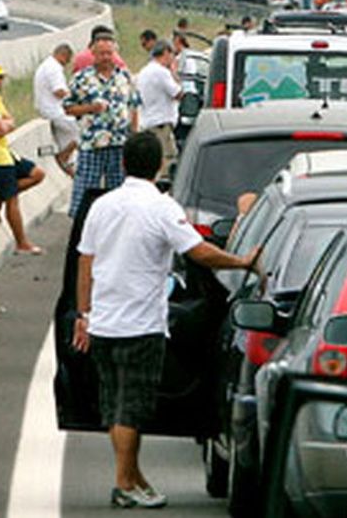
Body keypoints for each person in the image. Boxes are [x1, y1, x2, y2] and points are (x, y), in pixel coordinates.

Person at [71, 132, 260, 509]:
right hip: (141, 325)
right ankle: (124, 482)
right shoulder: (162, 207)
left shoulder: (102, 205)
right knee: (133, 407)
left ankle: (134, 477)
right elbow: (199, 252)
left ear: (123, 163)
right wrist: (242, 262)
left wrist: (83, 314)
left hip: (103, 323)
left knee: (114, 404)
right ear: (159, 165)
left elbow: (85, 262)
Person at [0, 63, 47, 254]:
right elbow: (3, 128)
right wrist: (3, 125)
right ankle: (22, 242)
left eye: (0, 78)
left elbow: (9, 122)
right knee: (13, 200)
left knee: (37, 174)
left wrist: (3, 125)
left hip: (5, 151)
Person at [64, 34, 141, 217]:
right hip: (93, 144)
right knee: (85, 188)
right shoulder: (81, 78)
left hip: (119, 143)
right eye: (101, 53)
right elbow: (68, 108)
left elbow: (134, 106)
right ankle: (81, 228)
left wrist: (134, 135)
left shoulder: (124, 77)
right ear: (93, 54)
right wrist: (91, 108)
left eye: (109, 53)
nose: (106, 57)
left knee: (120, 191)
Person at [136, 41, 183, 169]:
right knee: (167, 161)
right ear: (166, 53)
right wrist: (174, 72)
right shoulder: (162, 72)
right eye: (172, 55)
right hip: (161, 125)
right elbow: (178, 93)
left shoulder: (144, 71)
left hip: (147, 122)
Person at [35, 44, 79, 175]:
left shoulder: (46, 65)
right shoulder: (54, 68)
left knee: (66, 140)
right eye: (67, 60)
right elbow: (59, 91)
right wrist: (75, 98)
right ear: (63, 55)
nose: (66, 64)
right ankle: (63, 156)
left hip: (47, 109)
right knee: (84, 131)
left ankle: (69, 167)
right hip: (55, 111)